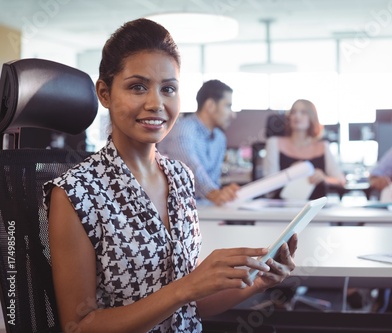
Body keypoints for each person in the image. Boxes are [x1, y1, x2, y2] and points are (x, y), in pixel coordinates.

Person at [44, 18, 297, 333]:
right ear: (105, 94)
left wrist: (258, 282)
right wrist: (186, 287)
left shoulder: (180, 177)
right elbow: (78, 326)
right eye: (138, 87)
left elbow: (190, 305)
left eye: (168, 89)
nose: (156, 103)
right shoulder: (75, 193)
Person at [156, 80, 239, 206]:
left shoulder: (220, 138)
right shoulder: (183, 130)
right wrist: (214, 193)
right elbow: (191, 168)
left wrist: (221, 195)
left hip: (207, 211)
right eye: (228, 106)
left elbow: (213, 181)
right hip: (175, 211)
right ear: (210, 105)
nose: (233, 115)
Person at [263, 99, 345, 199]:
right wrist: (292, 173)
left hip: (316, 207)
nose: (297, 116)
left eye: (303, 112)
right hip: (283, 207)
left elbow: (340, 181)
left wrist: (323, 178)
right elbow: (269, 185)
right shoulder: (274, 143)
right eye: (293, 112)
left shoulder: (323, 146)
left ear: (312, 118)